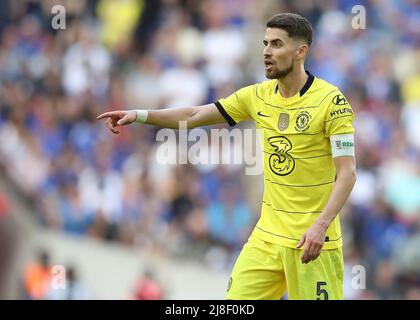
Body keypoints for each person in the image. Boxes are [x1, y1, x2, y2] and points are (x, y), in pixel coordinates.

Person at [97, 13, 356, 300]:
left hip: (313, 243)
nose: (267, 52)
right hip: (267, 239)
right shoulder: (257, 95)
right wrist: (140, 115)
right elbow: (194, 115)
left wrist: (320, 226)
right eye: (265, 43)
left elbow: (347, 173)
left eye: (277, 44)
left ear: (300, 52)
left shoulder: (332, 102)